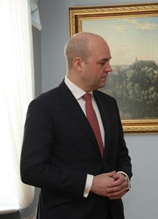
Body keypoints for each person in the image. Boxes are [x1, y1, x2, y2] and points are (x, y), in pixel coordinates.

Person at [20, 32, 132, 219]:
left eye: (109, 61)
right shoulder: (44, 106)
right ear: (78, 63)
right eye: (102, 62)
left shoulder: (109, 104)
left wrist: (123, 176)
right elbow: (32, 170)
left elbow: (120, 154)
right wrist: (90, 183)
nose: (109, 68)